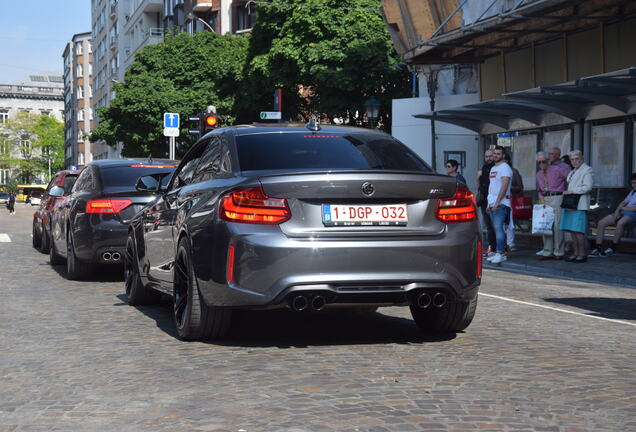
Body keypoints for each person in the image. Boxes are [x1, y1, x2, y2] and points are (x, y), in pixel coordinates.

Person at [590, 172, 636, 257]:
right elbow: (623, 202)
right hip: (623, 211)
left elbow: (635, 208)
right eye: (633, 183)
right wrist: (618, 211)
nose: (634, 185)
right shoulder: (632, 192)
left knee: (620, 223)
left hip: (633, 213)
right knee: (601, 223)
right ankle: (598, 247)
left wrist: (623, 209)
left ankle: (612, 247)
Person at [559, 150, 593, 263]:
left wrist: (572, 191)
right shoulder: (573, 171)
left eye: (577, 159)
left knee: (578, 231)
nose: (574, 161)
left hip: (579, 204)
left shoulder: (587, 170)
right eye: (572, 159)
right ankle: (575, 252)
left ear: (581, 159)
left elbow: (588, 187)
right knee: (572, 231)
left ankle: (582, 254)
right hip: (571, 204)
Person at [535, 151, 569, 260]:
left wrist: (567, 191)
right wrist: (540, 198)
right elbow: (539, 189)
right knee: (546, 225)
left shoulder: (557, 169)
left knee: (557, 225)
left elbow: (570, 178)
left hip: (557, 197)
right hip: (545, 198)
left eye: (543, 161)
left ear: (548, 161)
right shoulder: (538, 174)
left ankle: (558, 252)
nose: (541, 164)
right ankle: (547, 251)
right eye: (539, 162)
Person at [486, 145, 512, 264]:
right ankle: (501, 252)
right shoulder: (493, 169)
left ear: (503, 155)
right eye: (494, 153)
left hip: (501, 204)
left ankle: (500, 253)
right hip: (493, 203)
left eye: (498, 154)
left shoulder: (505, 167)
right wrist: (489, 203)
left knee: (499, 229)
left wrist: (497, 202)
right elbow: (492, 187)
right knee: (497, 229)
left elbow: (504, 186)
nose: (495, 156)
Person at [477, 149, 496, 257]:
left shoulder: (496, 168)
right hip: (484, 201)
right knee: (489, 225)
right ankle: (491, 247)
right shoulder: (484, 168)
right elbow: (481, 185)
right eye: (486, 156)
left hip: (494, 201)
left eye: (490, 156)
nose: (488, 158)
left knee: (496, 226)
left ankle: (497, 248)